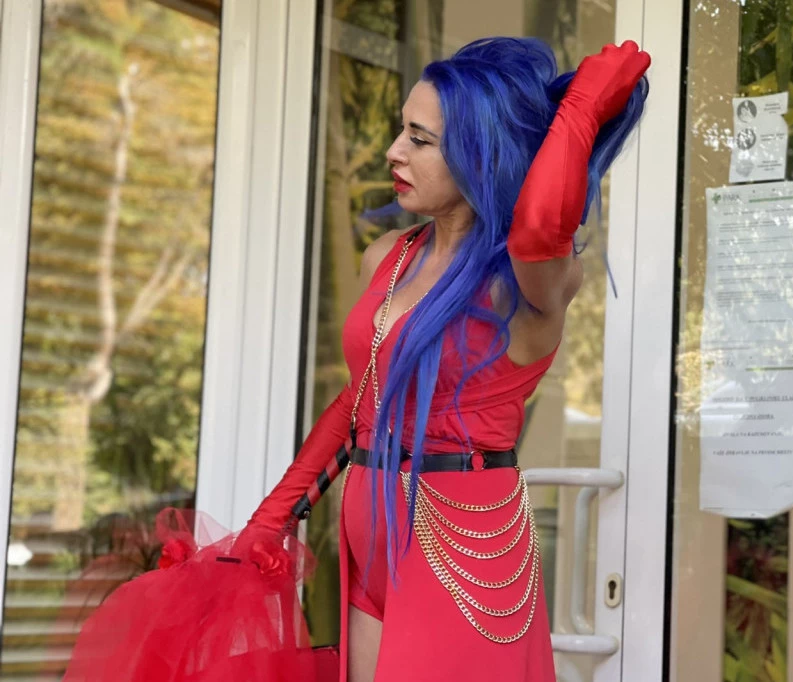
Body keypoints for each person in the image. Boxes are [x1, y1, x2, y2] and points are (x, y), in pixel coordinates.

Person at [62, 36, 649, 682]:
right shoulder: (390, 257)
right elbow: (358, 404)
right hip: (368, 539)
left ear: (480, 153)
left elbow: (537, 226)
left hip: (461, 550)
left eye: (419, 139)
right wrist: (268, 523)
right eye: (402, 131)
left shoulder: (526, 281)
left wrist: (580, 111)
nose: (394, 151)